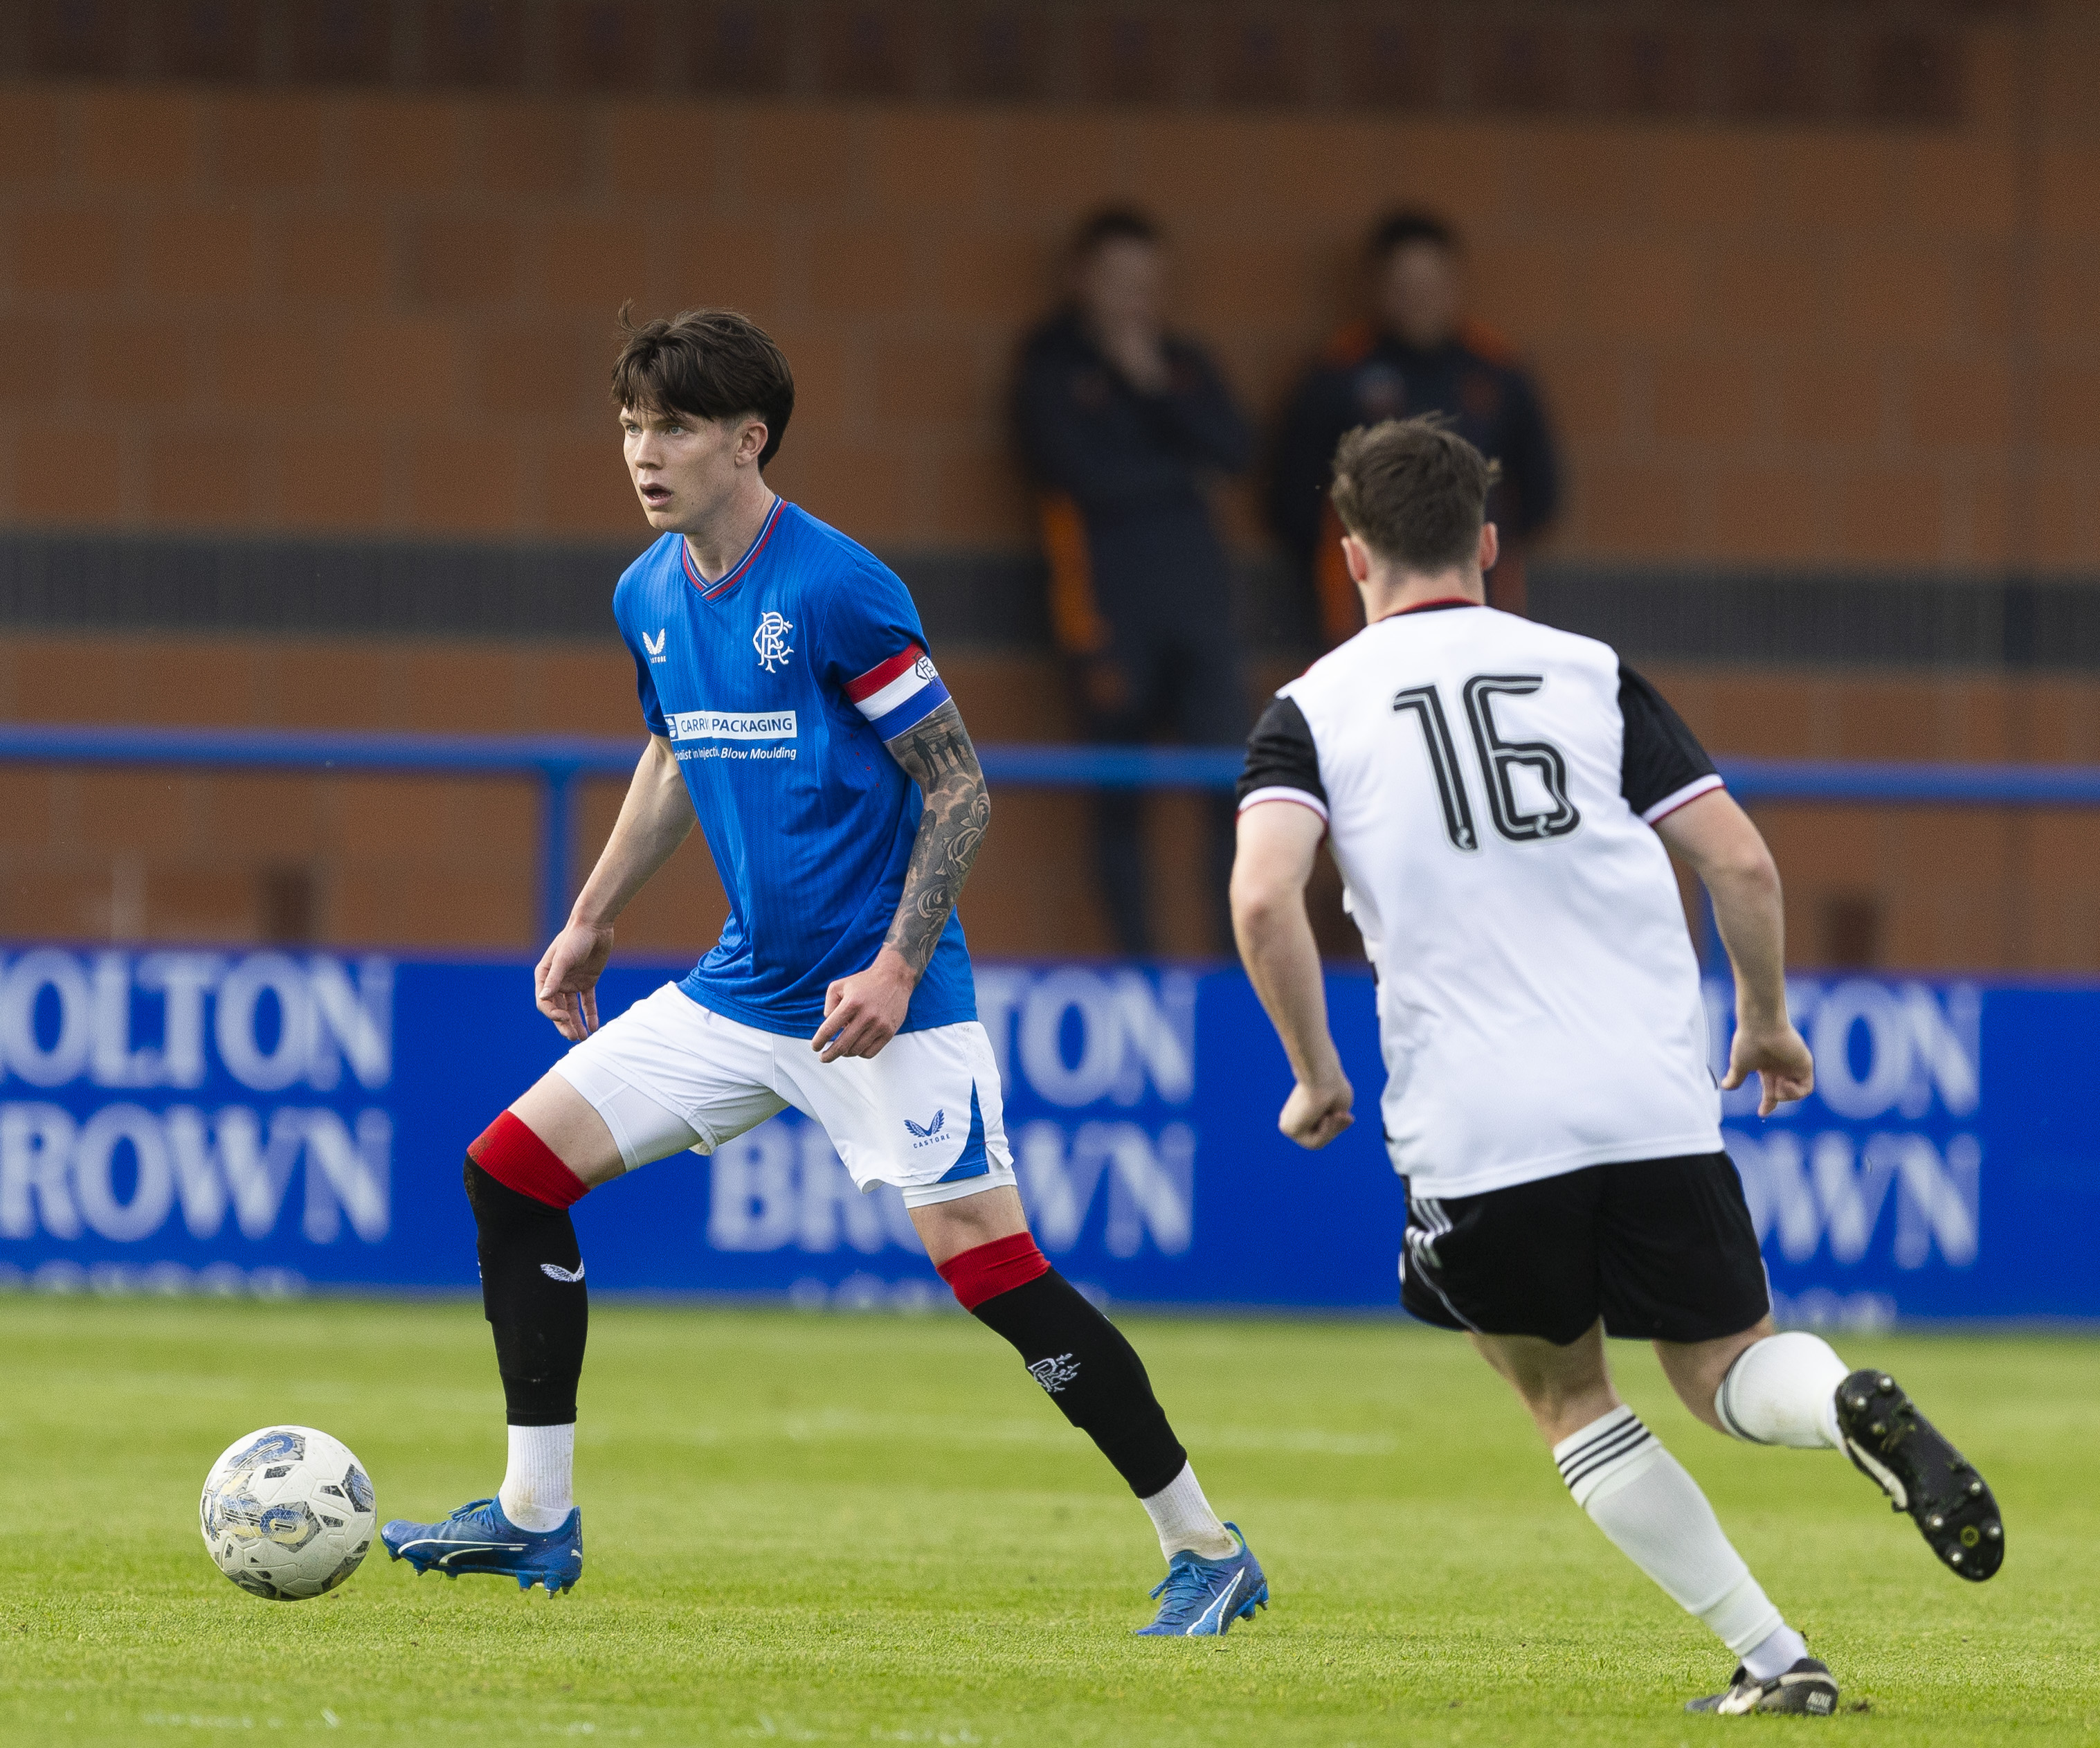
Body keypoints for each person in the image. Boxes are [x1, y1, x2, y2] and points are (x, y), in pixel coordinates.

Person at [379, 308, 1268, 1637]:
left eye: (672, 425)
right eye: (629, 423)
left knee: (987, 1266)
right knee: (510, 1174)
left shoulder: (838, 586)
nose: (642, 450)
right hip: (742, 992)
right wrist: (592, 915)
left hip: (882, 1000)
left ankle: (1204, 1547)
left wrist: (900, 967)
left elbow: (959, 787)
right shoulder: (646, 592)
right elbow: (674, 755)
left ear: (747, 439)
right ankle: (531, 1516)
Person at [1229, 416, 2002, 1715]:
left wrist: (1310, 1070)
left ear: (1350, 553)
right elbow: (1739, 863)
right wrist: (1761, 1019)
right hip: (1650, 1100)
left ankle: (1775, 1661)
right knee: (1719, 1366)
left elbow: (1263, 903)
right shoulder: (1587, 672)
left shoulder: (1308, 711)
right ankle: (1842, 1401)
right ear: (1485, 542)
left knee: (1560, 1388)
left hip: (1480, 1123)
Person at [1014, 206, 1254, 956]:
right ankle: (1138, 966)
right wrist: (1174, 473)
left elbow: (1236, 451)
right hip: (1107, 617)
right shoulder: (1050, 364)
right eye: (1118, 280)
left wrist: (1150, 386)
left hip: (1201, 612)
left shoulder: (1179, 363)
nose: (1132, 298)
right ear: (1079, 279)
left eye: (1145, 284)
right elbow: (1076, 472)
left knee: (1229, 788)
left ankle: (1232, 962)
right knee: (1120, 795)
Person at [1271, 211, 1560, 643]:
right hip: (1364, 602)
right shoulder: (1339, 372)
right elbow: (1293, 496)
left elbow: (1540, 491)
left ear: (1455, 284)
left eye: (1431, 284)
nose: (1419, 298)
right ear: (1379, 287)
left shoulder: (1496, 371)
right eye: (1404, 284)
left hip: (1480, 596)